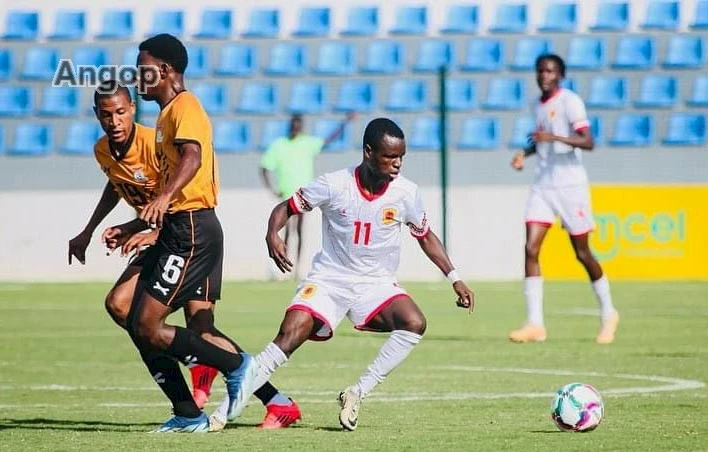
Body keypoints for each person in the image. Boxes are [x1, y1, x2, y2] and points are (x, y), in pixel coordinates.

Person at [210, 117, 475, 432]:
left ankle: (357, 392)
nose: (398, 163)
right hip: (329, 281)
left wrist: (454, 277)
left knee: (414, 322)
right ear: (368, 152)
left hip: (375, 285)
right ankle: (222, 413)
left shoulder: (406, 193)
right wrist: (272, 234)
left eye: (401, 156)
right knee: (290, 332)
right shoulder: (334, 184)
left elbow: (426, 236)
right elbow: (285, 207)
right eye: (390, 156)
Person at [69, 84, 296, 421]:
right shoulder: (103, 150)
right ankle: (193, 380)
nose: (114, 121)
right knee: (120, 306)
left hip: (186, 235)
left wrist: (150, 232)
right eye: (106, 114)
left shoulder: (153, 143)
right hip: (163, 239)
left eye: (120, 112)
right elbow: (118, 184)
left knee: (202, 329)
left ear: (132, 108)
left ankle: (275, 400)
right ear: (96, 115)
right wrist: (93, 230)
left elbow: (179, 192)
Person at [119, 32, 258, 433]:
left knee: (148, 324)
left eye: (142, 69)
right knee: (136, 322)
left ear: (163, 70)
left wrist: (164, 197)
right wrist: (135, 222)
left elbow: (193, 158)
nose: (137, 76)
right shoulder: (164, 117)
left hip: (193, 228)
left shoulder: (186, 105)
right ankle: (187, 413)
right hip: (179, 227)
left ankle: (236, 366)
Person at [508, 54, 619, 345]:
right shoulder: (536, 104)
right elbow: (542, 140)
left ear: (560, 75)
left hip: (570, 187)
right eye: (540, 71)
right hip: (543, 185)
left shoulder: (570, 101)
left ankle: (609, 313)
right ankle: (535, 324)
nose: (544, 75)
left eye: (550, 71)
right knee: (530, 248)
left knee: (582, 253)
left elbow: (588, 141)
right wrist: (525, 152)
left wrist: (554, 139)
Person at [260, 112, 356, 277]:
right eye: (293, 125)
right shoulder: (280, 145)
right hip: (287, 196)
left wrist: (345, 122)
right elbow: (264, 167)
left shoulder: (307, 143)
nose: (295, 128)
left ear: (301, 127)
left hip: (304, 196)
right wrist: (273, 189)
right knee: (286, 232)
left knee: (299, 231)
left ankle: (297, 267)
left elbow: (328, 140)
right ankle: (285, 265)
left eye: (298, 126)